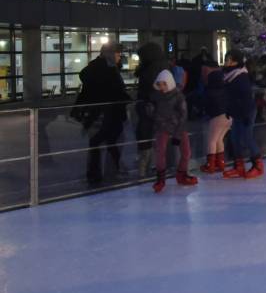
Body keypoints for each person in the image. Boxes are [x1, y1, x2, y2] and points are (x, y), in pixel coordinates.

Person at [76, 43, 129, 186]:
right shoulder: (107, 69)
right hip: (106, 113)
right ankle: (110, 173)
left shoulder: (94, 68)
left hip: (96, 113)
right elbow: (116, 92)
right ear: (111, 54)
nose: (120, 57)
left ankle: (96, 174)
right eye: (118, 54)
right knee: (112, 141)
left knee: (97, 143)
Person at [149, 70, 197, 193]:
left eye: (164, 84)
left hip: (178, 127)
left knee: (186, 152)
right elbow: (152, 113)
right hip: (162, 127)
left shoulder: (178, 96)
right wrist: (149, 110)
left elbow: (183, 115)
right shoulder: (156, 96)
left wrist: (177, 134)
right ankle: (160, 179)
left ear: (169, 83)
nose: (162, 87)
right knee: (160, 152)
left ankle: (182, 174)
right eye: (159, 84)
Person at [222, 50, 262, 180]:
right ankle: (238, 166)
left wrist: (245, 115)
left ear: (235, 61)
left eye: (229, 58)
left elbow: (245, 97)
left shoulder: (241, 76)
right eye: (226, 58)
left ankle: (258, 165)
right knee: (235, 139)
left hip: (246, 111)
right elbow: (230, 96)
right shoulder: (229, 75)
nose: (226, 61)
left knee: (247, 138)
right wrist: (228, 109)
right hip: (236, 111)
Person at [134, 41, 167, 177]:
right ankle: (155, 166)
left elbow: (151, 90)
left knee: (146, 135)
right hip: (154, 107)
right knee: (154, 137)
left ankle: (146, 168)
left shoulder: (151, 70)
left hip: (149, 107)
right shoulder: (161, 67)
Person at [199, 68, 229, 174]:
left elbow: (204, 104)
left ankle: (210, 165)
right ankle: (220, 163)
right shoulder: (225, 89)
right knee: (219, 139)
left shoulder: (209, 91)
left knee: (212, 140)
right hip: (229, 117)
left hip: (217, 116)